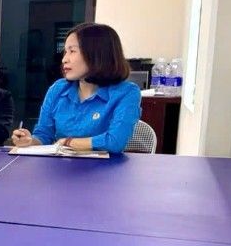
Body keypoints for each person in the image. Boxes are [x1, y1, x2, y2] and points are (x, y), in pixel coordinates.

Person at [12, 23, 140, 153]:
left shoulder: (127, 92)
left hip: (106, 170)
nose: (64, 60)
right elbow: (44, 135)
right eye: (65, 52)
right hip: (61, 167)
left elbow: (115, 142)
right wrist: (30, 141)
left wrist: (68, 142)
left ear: (97, 54)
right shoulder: (58, 89)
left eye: (72, 51)